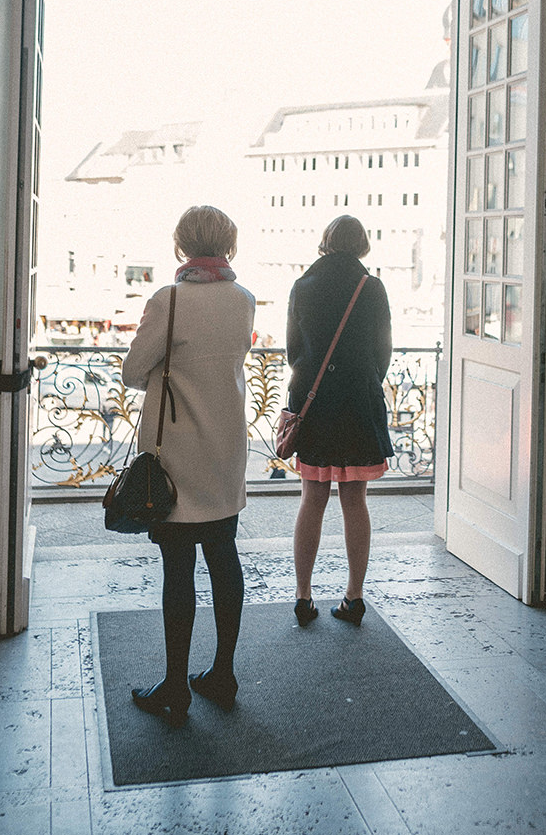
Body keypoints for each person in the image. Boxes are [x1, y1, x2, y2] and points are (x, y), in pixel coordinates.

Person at [121, 205, 255, 727]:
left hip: (175, 456)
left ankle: (175, 686)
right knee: (225, 559)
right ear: (228, 244)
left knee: (178, 571)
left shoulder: (168, 301)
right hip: (225, 451)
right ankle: (222, 673)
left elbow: (135, 372)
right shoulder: (243, 299)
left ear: (181, 246)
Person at [287, 215, 393, 627]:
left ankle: (302, 596)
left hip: (314, 404)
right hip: (358, 404)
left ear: (325, 241)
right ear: (362, 244)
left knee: (311, 498)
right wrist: (364, 380)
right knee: (355, 500)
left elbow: (293, 352)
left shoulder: (302, 286)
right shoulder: (372, 287)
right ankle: (353, 597)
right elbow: (383, 349)